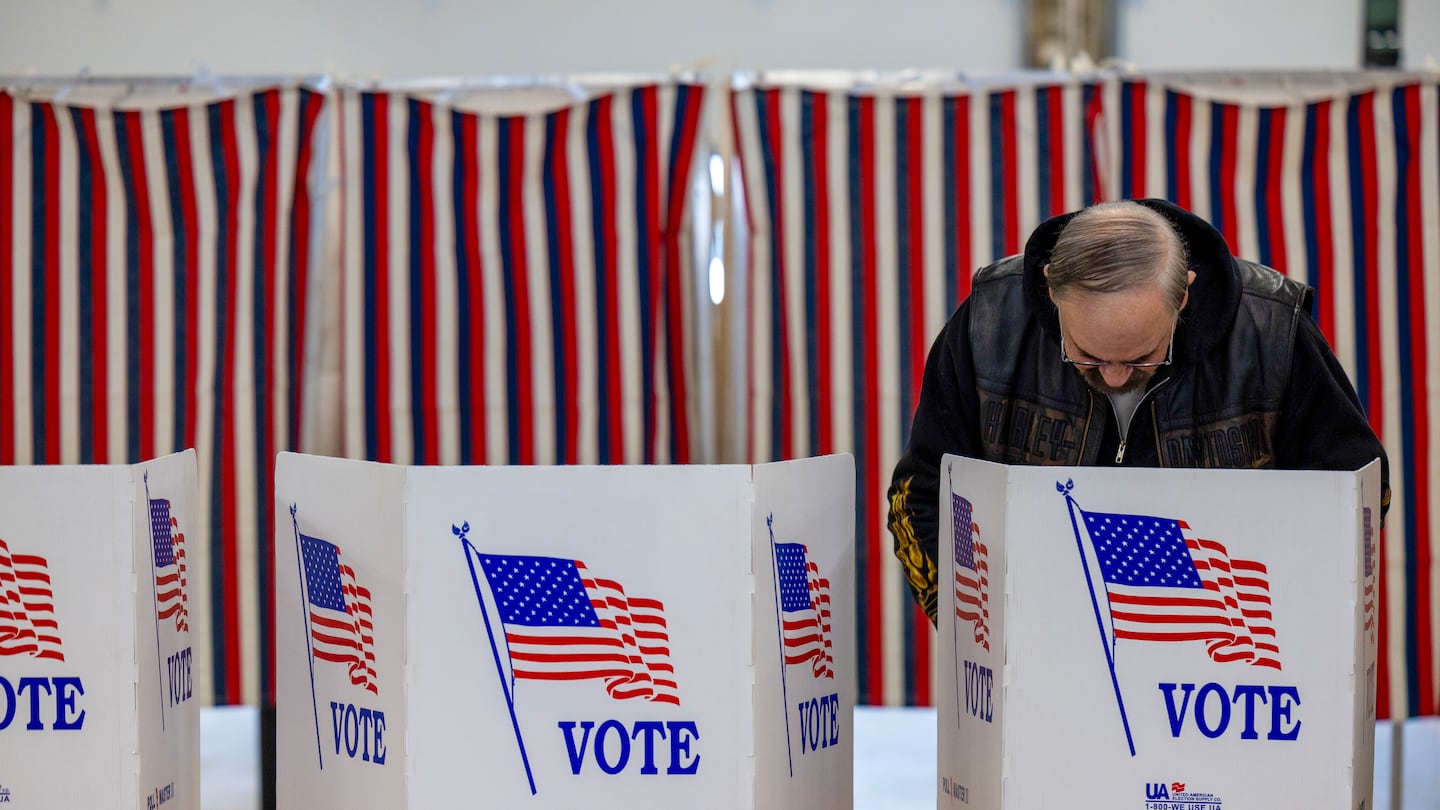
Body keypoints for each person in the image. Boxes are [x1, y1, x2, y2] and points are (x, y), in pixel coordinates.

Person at [887, 198, 1390, 622]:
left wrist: (1277, 617)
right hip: (1037, 644)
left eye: (1142, 356)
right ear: (1049, 289)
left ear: (1185, 295)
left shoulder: (1271, 331)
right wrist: (972, 625)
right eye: (1086, 354)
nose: (1113, 376)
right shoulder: (989, 323)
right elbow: (923, 493)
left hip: (1227, 652)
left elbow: (1358, 494)